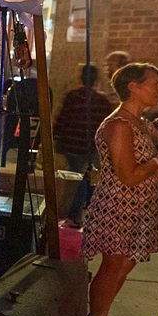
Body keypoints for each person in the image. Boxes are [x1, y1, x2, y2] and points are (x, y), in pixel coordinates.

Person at [84, 63, 158, 316]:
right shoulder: (119, 125)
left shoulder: (138, 122)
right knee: (113, 265)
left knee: (124, 264)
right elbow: (128, 176)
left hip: (137, 207)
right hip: (118, 206)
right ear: (133, 87)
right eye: (155, 84)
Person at [54, 64, 114, 226]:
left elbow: (62, 118)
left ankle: (71, 213)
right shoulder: (102, 101)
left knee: (76, 179)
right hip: (89, 147)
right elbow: (105, 126)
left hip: (71, 145)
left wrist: (57, 137)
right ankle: (74, 214)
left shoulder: (72, 96)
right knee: (82, 179)